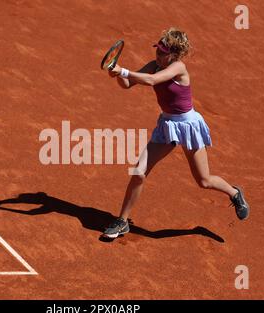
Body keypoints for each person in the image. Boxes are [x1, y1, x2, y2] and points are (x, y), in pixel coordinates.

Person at [103, 27, 249, 239]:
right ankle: (122, 221)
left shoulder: (179, 67)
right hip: (167, 126)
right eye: (157, 50)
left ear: (174, 54)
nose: (158, 55)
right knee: (138, 172)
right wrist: (115, 73)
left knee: (204, 181)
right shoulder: (154, 65)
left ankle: (234, 193)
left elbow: (152, 81)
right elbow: (127, 84)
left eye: (163, 52)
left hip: (189, 127)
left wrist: (124, 70)